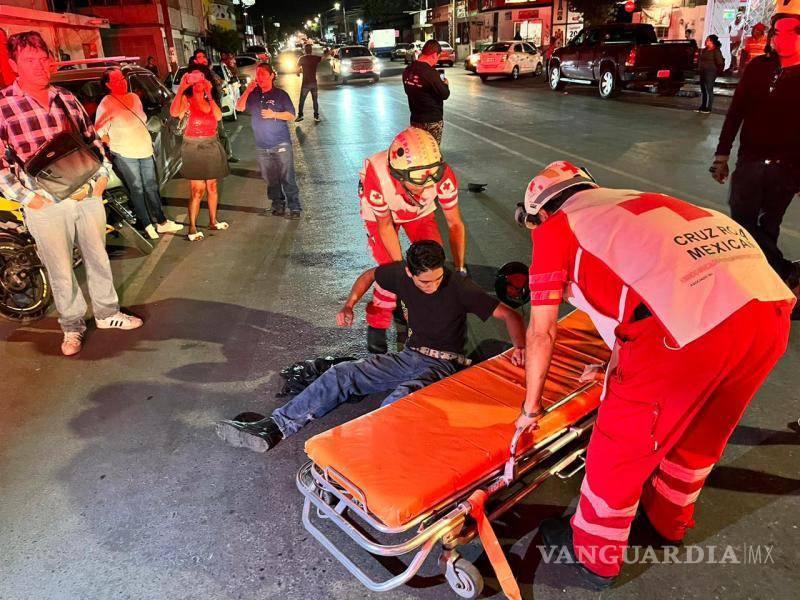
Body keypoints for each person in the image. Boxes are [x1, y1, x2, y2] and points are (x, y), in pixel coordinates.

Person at [515, 161, 794, 589]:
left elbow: (542, 332)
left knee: (621, 445)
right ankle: (668, 521)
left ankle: (592, 557)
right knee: (704, 430)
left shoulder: (557, 229)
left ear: (541, 212)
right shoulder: (627, 202)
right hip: (768, 312)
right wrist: (612, 363)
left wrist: (531, 409)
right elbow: (643, 288)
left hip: (685, 339)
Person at [216, 240, 527, 452]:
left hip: (444, 364)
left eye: (437, 279)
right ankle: (274, 427)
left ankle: (360, 461)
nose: (433, 287)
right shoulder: (399, 274)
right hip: (409, 356)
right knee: (343, 374)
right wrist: (349, 303)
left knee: (398, 401)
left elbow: (510, 315)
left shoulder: (458, 286)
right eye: (425, 282)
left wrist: (521, 348)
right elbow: (369, 275)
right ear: (409, 272)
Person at [0, 31, 143, 356]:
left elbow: (92, 139)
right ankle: (72, 327)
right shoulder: (4, 106)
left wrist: (103, 175)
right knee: (61, 269)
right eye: (29, 60)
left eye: (43, 58)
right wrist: (28, 199)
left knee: (98, 257)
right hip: (45, 203)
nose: (39, 65)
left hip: (87, 194)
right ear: (14, 65)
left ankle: (107, 314)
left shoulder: (66, 97)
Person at [711, 0, 800, 319]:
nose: (780, 38)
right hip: (749, 164)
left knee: (769, 226)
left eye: (789, 31)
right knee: (742, 225)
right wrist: (722, 155)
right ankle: (787, 272)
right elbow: (735, 115)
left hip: (786, 170)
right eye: (777, 31)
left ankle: (766, 287)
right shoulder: (757, 69)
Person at [358, 127, 467, 354]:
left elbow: (455, 223)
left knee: (433, 262)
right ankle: (377, 323)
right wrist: (401, 274)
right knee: (389, 270)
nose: (427, 184)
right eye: (419, 179)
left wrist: (459, 267)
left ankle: (428, 315)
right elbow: (385, 225)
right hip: (381, 215)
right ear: (398, 174)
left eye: (432, 175)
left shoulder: (443, 176)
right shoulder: (376, 175)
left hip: (419, 212)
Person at [95, 67, 183, 240]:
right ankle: (147, 224)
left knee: (151, 186)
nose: (121, 83)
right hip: (125, 153)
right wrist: (108, 139)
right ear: (108, 85)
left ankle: (162, 222)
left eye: (121, 79)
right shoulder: (106, 103)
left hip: (144, 149)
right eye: (115, 81)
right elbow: (99, 131)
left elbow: (142, 120)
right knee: (137, 189)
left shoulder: (134, 98)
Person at [170, 64, 229, 241]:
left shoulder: (209, 100)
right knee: (197, 190)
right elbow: (174, 112)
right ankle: (192, 228)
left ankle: (213, 221)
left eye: (201, 80)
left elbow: (218, 117)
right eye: (194, 80)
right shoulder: (186, 101)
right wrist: (181, 88)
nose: (198, 83)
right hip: (193, 147)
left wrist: (210, 94)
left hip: (211, 145)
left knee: (212, 186)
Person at [235, 62, 301, 219]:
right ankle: (278, 205)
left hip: (281, 143)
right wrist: (248, 90)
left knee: (287, 177)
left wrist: (274, 114)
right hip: (262, 146)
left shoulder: (280, 95)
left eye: (263, 74)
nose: (260, 78)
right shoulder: (254, 94)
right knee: (270, 179)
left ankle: (294, 208)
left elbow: (292, 115)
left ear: (272, 76)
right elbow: (238, 107)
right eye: (258, 75)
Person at [189, 49, 238, 163]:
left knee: (220, 133)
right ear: (195, 60)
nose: (203, 59)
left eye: (204, 57)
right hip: (199, 111)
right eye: (200, 57)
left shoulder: (211, 73)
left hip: (214, 107)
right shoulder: (192, 74)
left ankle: (227, 155)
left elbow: (220, 84)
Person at [402, 40, 450, 145]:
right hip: (432, 121)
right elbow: (445, 94)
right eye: (438, 57)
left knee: (419, 150)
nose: (436, 61)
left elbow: (407, 91)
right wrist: (445, 84)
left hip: (415, 120)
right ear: (434, 55)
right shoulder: (432, 73)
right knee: (432, 153)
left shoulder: (408, 70)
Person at [696, 35, 724, 113]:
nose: (706, 41)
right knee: (703, 89)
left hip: (710, 72)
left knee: (709, 89)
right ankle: (703, 106)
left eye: (708, 40)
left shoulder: (716, 50)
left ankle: (709, 107)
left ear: (712, 41)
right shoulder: (705, 50)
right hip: (703, 71)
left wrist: (717, 70)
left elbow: (720, 62)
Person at [296, 44, 322, 123]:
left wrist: (298, 72)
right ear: (311, 50)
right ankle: (316, 116)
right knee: (315, 100)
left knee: (302, 100)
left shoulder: (302, 58)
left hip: (306, 83)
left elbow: (297, 68)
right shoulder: (315, 58)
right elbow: (323, 58)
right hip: (314, 83)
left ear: (304, 50)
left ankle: (300, 115)